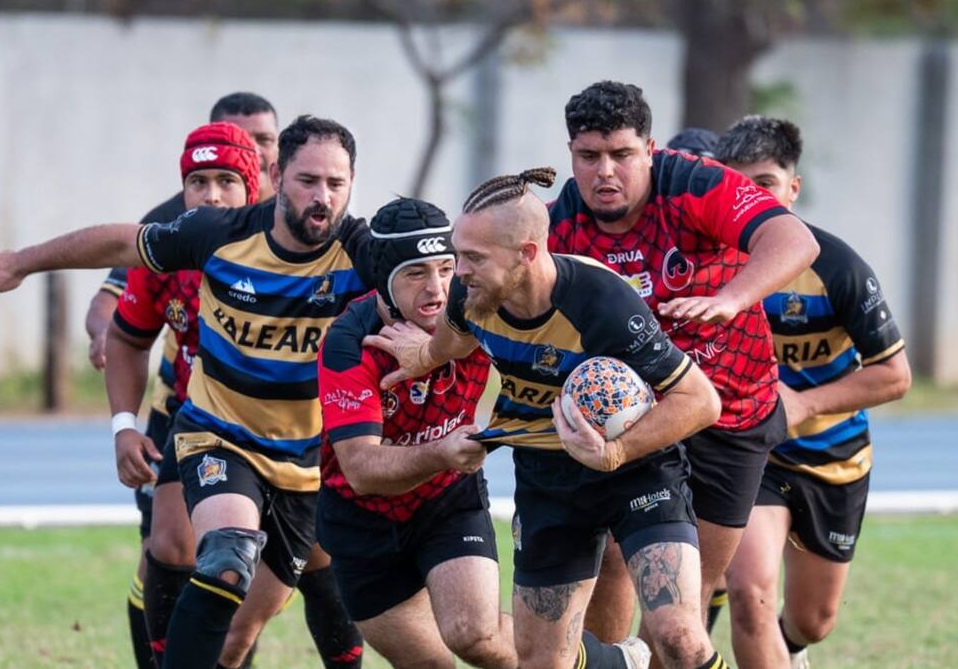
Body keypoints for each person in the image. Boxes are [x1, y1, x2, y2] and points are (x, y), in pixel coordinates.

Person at [0, 115, 370, 669]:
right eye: (308, 181)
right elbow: (119, 248)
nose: (322, 196)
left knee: (241, 632)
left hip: (306, 459)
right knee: (224, 558)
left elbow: (443, 279)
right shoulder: (213, 233)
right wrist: (21, 262)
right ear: (277, 176)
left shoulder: (365, 253)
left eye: (335, 184)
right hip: (217, 434)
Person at [365, 168, 730, 669]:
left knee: (680, 639)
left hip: (635, 468)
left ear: (527, 253)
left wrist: (615, 452)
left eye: (473, 258)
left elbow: (700, 400)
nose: (458, 271)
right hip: (547, 478)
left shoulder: (602, 303)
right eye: (458, 254)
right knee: (540, 660)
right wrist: (423, 356)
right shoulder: (470, 296)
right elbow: (452, 341)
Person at [546, 82, 819, 652]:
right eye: (589, 156)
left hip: (731, 413)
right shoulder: (559, 221)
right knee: (612, 556)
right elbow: (491, 270)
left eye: (622, 154)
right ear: (570, 153)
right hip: (633, 412)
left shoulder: (697, 184)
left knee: (680, 605)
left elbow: (795, 240)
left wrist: (731, 299)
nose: (605, 172)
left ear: (650, 149)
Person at [80, 92, 279, 669]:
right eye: (203, 178)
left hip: (286, 429)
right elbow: (116, 309)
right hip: (184, 415)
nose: (253, 149)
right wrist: (108, 340)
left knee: (289, 569)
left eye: (263, 141)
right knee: (171, 552)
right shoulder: (173, 227)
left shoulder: (299, 223)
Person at [717, 115, 911, 669]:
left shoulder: (838, 267)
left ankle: (791, 649)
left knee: (813, 621)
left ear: (793, 188)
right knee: (749, 593)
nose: (753, 199)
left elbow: (895, 376)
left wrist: (801, 404)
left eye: (766, 183)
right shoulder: (707, 262)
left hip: (833, 459)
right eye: (739, 186)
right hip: (752, 453)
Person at [316, 196, 519, 667]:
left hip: (447, 500)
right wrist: (441, 451)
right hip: (361, 522)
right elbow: (361, 469)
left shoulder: (478, 308)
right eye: (415, 273)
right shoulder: (349, 343)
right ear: (384, 280)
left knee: (477, 637)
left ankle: (604, 662)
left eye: (446, 269)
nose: (437, 288)